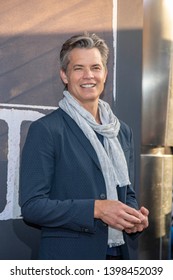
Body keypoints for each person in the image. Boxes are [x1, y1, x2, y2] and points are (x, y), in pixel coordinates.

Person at [19, 32, 149, 260]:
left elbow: (126, 193)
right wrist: (96, 209)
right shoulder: (47, 130)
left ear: (105, 73)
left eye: (96, 68)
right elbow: (32, 206)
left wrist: (132, 218)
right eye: (78, 68)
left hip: (118, 257)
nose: (88, 76)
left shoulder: (121, 131)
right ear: (64, 75)